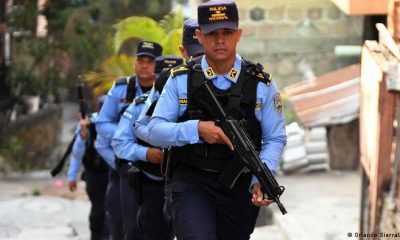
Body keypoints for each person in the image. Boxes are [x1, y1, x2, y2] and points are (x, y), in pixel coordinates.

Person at [146, 1, 287, 239]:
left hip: (239, 186)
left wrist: (260, 178)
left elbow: (275, 137)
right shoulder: (180, 79)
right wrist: (196, 129)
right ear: (199, 36)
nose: (220, 40)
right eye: (212, 33)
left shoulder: (260, 83)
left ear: (238, 35)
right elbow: (154, 130)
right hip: (192, 180)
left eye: (227, 32)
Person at [96, 40, 162, 240]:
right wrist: (128, 133)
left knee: (157, 227)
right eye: (140, 60)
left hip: (158, 170)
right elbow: (101, 124)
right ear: (134, 63)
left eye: (149, 61)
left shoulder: (168, 91)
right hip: (126, 165)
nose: (144, 65)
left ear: (157, 65)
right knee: (121, 222)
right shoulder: (120, 89)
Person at [111, 55, 182, 240]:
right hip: (150, 183)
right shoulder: (141, 105)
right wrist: (146, 153)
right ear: (154, 79)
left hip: (184, 184)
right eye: (162, 78)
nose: (167, 84)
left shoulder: (191, 106)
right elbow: (119, 143)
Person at [67, 96, 109, 240]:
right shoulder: (88, 123)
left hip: (113, 173)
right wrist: (83, 134)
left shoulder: (117, 121)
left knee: (113, 210)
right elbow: (77, 153)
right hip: (94, 175)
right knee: (98, 210)